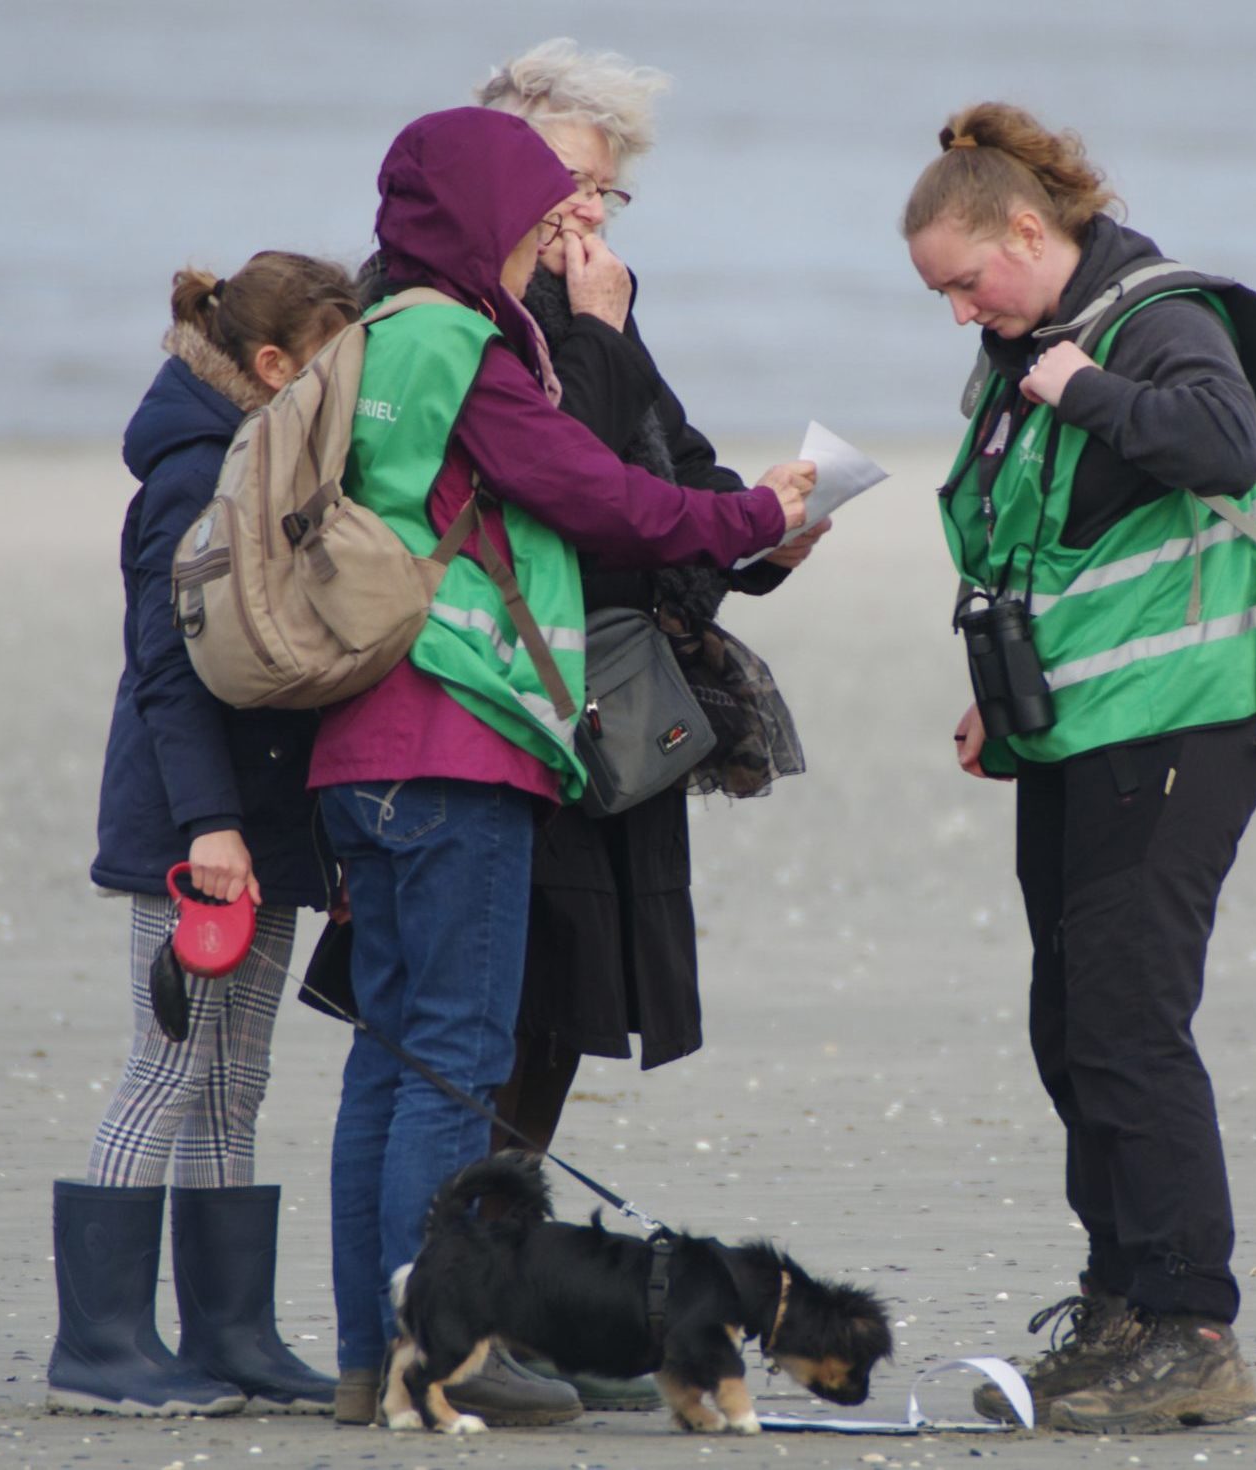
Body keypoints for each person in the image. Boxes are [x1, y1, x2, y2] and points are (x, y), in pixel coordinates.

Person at [311, 106, 812, 1426]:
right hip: (457, 735)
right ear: (484, 221)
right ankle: (428, 1356)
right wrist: (754, 516)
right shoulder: (463, 344)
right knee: (457, 1058)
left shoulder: (371, 336)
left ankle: (375, 1352)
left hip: (362, 742)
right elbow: (592, 492)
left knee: (392, 1060)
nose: (560, 239)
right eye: (541, 217)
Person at [903, 102, 1256, 1434]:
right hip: (1077, 727)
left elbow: (1225, 444)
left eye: (967, 281)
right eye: (941, 296)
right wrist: (996, 698)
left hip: (1182, 723)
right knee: (1072, 1020)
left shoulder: (1153, 319)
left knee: (1129, 1019)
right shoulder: (1031, 338)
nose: (962, 312)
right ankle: (1123, 1300)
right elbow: (1041, 548)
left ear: (1032, 229)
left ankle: (1194, 1325)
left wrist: (1081, 384)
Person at [472, 37, 823, 1234]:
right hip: (513, 684)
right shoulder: (472, 308)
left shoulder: (596, 297)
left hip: (621, 686)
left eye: (604, 190)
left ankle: (508, 1290)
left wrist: (763, 533)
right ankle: (460, 1295)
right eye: (564, 181)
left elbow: (674, 460)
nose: (585, 212)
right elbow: (570, 481)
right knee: (500, 1009)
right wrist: (599, 328)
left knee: (572, 1011)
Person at [48, 252, 356, 1417]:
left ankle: (230, 1331)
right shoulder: (189, 474)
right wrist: (212, 828)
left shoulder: (275, 451)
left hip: (269, 816)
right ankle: (101, 1340)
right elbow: (165, 674)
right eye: (329, 369)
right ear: (273, 366)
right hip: (191, 824)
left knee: (238, 1080)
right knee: (168, 1065)